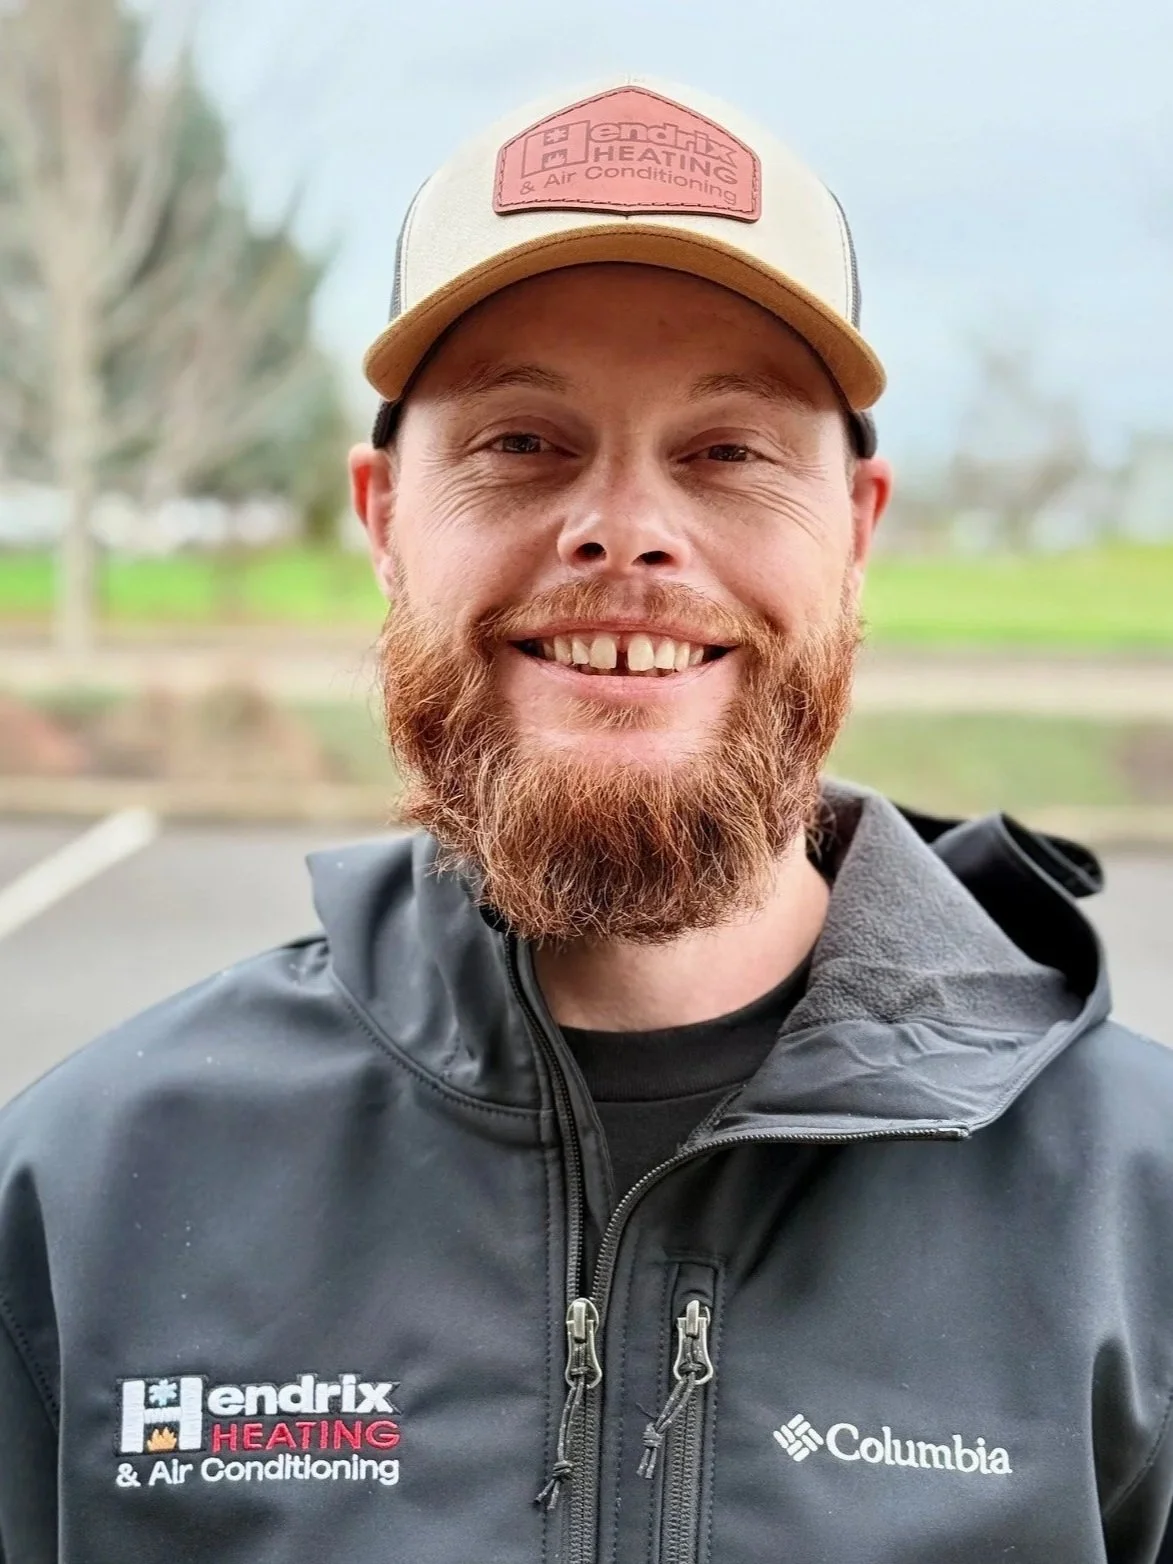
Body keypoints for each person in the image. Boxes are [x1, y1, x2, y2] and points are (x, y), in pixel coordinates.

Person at [0, 75, 1170, 1564]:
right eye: (521, 442)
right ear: (384, 518)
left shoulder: (1139, 1222)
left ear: (858, 529)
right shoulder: (88, 1193)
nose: (625, 527)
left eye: (729, 451)